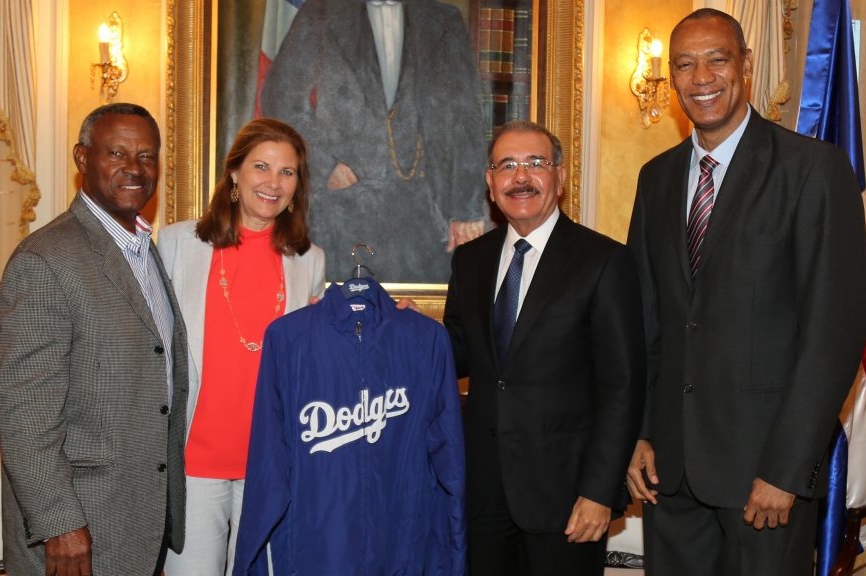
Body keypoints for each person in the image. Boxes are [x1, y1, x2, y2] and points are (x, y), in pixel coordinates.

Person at [625, 9, 866, 576]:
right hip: (671, 475)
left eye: (717, 59)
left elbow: (832, 334)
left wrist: (787, 469)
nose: (701, 78)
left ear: (747, 65)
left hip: (764, 477)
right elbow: (646, 322)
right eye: (685, 64)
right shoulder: (655, 178)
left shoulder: (812, 169)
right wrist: (640, 432)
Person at [0, 102, 188, 575]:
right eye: (117, 153)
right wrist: (59, 522)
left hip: (136, 520)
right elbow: (24, 412)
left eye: (146, 155)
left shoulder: (143, 250)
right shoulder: (45, 260)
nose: (134, 168)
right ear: (82, 158)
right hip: (78, 526)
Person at [443, 120, 645, 575]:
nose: (521, 177)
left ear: (560, 176)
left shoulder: (603, 260)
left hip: (568, 498)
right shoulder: (470, 260)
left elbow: (623, 387)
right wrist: (401, 330)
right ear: (490, 182)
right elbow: (457, 351)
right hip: (484, 496)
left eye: (535, 163)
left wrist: (599, 491)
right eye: (507, 165)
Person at [157, 118, 325, 576]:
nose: (273, 182)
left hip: (271, 462)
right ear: (234, 172)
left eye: (287, 172)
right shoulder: (177, 244)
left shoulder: (309, 260)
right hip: (194, 461)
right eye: (261, 167)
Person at [261, 0, 486, 283]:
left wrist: (466, 209)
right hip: (342, 206)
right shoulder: (320, 12)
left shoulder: (443, 19)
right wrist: (323, 166)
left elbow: (466, 117)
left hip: (427, 209)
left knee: (419, 307)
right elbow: (280, 97)